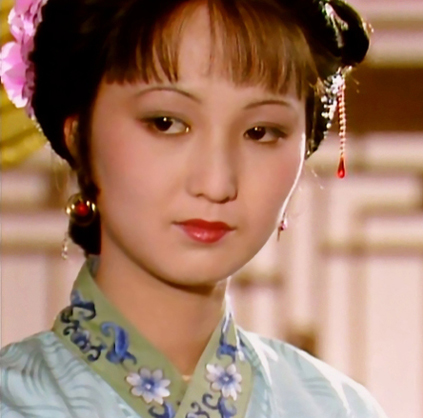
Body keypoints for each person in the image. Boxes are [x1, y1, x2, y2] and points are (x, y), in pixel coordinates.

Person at [0, 0, 386, 417]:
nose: (217, 183)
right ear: (79, 136)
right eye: (166, 123)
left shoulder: (338, 409)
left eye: (261, 132)